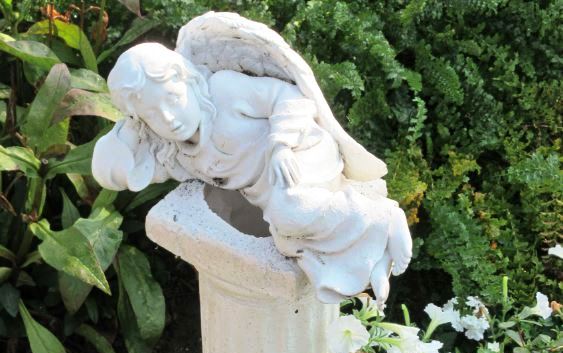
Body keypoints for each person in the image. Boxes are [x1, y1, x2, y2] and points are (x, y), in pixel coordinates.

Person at [92, 42, 411, 305]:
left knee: (289, 212)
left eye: (173, 99)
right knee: (289, 239)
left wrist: (281, 144)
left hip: (298, 154)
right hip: (276, 193)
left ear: (188, 80)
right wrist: (129, 128)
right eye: (152, 114)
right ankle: (374, 259)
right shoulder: (176, 153)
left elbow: (289, 97)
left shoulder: (223, 91)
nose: (169, 117)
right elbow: (109, 172)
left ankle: (383, 217)